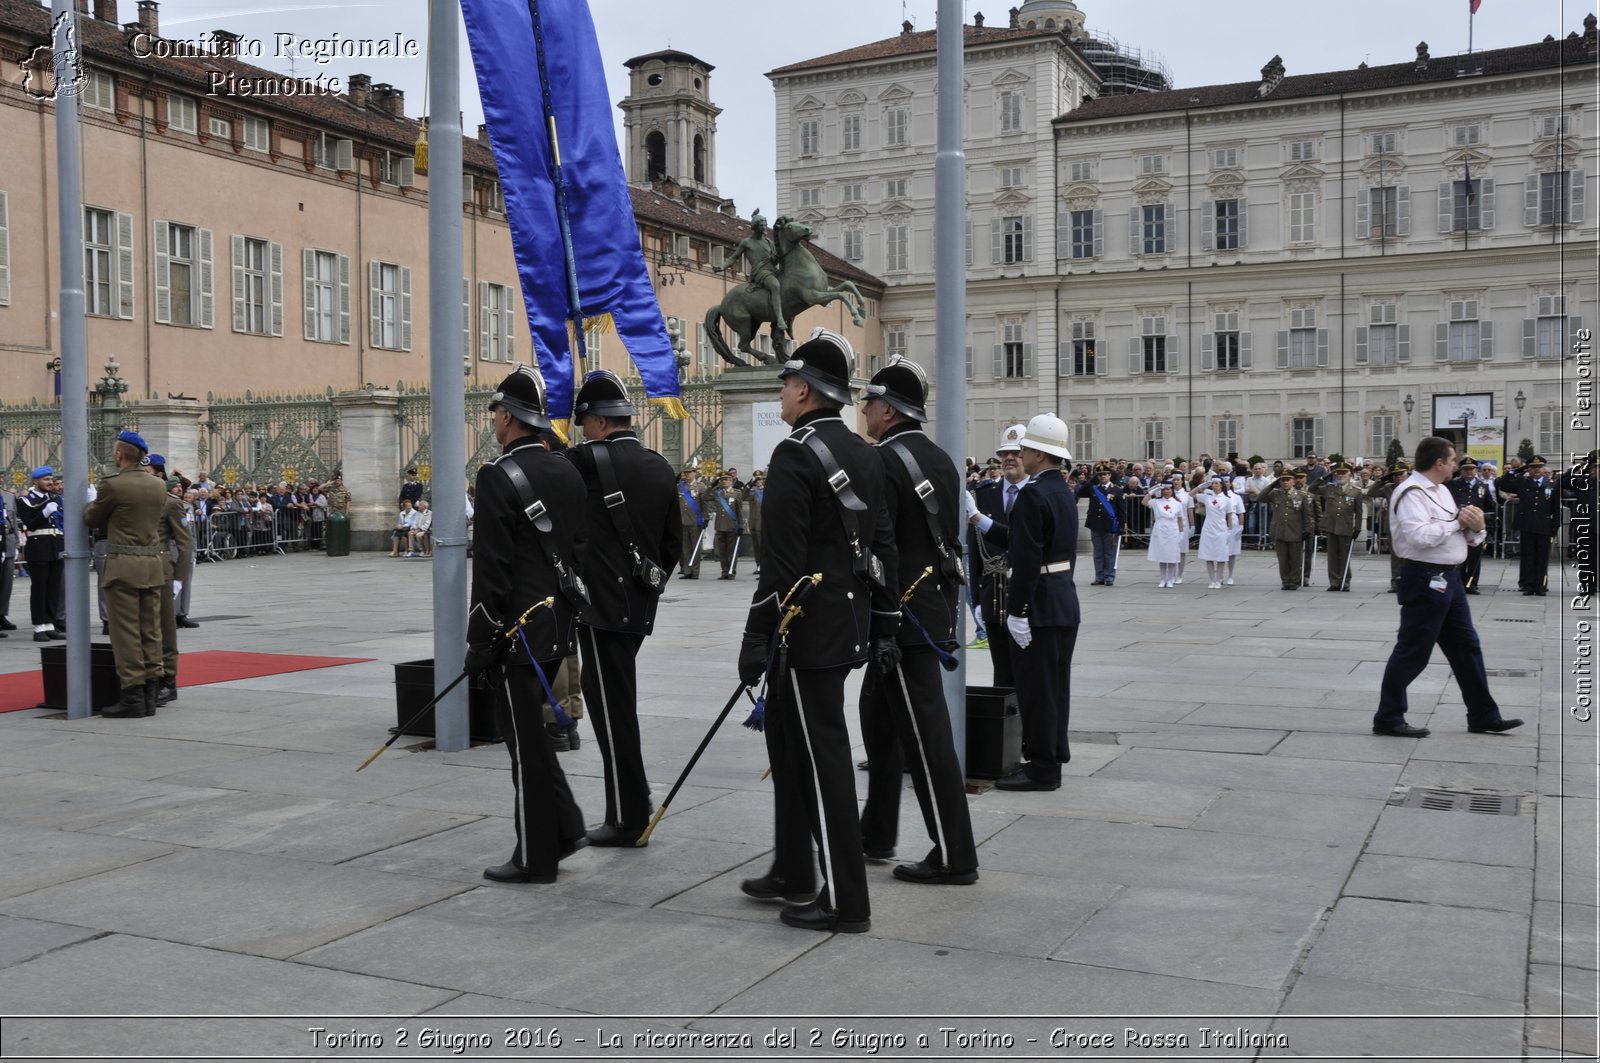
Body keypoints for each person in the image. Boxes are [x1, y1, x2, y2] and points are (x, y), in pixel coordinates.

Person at [736, 330, 898, 934]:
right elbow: (881, 548)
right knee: (793, 744)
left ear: (803, 389)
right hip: (847, 621)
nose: (781, 392)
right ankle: (795, 870)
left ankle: (845, 900)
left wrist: (756, 639)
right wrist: (883, 621)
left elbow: (779, 563)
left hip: (804, 629)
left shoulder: (794, 454)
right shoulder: (864, 451)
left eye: (784, 383)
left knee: (823, 754)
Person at [464, 364, 590, 884]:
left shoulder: (497, 476)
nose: (492, 419)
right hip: (558, 623)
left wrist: (480, 638)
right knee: (532, 740)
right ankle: (564, 827)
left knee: (523, 743)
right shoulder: (566, 468)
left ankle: (535, 856)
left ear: (511, 417)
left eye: (496, 410)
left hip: (515, 629)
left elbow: (492, 570)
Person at [856, 356, 978, 886]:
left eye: (868, 403)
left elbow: (876, 544)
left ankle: (955, 853)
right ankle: (876, 832)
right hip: (928, 606)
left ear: (886, 410)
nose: (862, 410)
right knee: (877, 721)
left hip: (902, 616)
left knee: (926, 737)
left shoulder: (882, 461)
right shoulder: (940, 458)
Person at [565, 369, 680, 847]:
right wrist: (645, 591)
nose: (581, 430)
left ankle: (628, 816)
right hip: (637, 604)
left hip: (599, 605)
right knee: (619, 704)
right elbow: (674, 542)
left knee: (612, 711)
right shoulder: (658, 464)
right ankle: (628, 807)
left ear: (596, 420)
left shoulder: (583, 462)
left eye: (583, 421)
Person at [1373, 437, 1522, 738]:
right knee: (1413, 650)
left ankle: (1483, 715)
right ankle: (1388, 717)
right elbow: (1420, 538)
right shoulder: (1411, 492)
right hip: (1425, 578)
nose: (1457, 465)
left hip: (1449, 579)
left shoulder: (1441, 491)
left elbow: (1460, 535)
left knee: (1467, 648)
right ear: (1439, 463)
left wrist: (1476, 528)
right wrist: (1458, 522)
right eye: (1453, 460)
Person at [998, 413, 1081, 792]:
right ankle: (1051, 758)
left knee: (1037, 690)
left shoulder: (1033, 493)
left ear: (1038, 453)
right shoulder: (1062, 490)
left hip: (1041, 605)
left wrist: (1018, 612)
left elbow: (1026, 559)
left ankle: (1043, 767)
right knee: (1056, 688)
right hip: (1063, 597)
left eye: (1026, 448)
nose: (1022, 453)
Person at [82, 431, 168, 718]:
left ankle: (133, 695)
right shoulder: (158, 485)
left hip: (124, 566)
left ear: (119, 455)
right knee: (151, 631)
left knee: (126, 633)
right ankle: (152, 693)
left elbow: (91, 518)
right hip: (152, 565)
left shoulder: (113, 486)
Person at [965, 424, 1028, 685]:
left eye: (1016, 452)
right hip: (994, 596)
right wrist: (977, 600)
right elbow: (975, 553)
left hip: (1026, 600)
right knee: (1001, 675)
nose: (1009, 458)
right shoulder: (983, 497)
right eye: (1004, 453)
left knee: (1027, 675)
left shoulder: (1037, 495)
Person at [148, 461, 192, 707]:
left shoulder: (171, 503)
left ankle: (168, 683)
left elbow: (185, 545)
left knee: (165, 629)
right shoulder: (139, 500)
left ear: (160, 475)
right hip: (142, 569)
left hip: (164, 571)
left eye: (149, 473)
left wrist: (179, 579)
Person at [715, 209, 788, 340]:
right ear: (755, 227)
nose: (765, 228)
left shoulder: (769, 242)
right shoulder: (747, 242)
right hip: (760, 272)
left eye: (765, 225)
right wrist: (722, 267)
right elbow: (733, 258)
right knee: (775, 286)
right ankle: (780, 319)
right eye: (762, 225)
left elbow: (775, 259)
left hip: (772, 270)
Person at [18, 466, 66, 641]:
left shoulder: (55, 498)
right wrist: (45, 512)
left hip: (55, 547)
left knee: (53, 589)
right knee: (40, 589)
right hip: (38, 549)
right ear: (35, 481)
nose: (50, 482)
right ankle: (39, 627)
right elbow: (30, 524)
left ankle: (50, 624)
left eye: (51, 479)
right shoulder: (25, 500)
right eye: (46, 479)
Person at [1497, 456, 1558, 596]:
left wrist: (1556, 525)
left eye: (1539, 467)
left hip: (1544, 525)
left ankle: (1541, 585)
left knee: (1542, 557)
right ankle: (1528, 585)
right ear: (1529, 469)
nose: (1537, 470)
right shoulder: (1522, 482)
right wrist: (1518, 470)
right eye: (1533, 467)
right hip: (1527, 524)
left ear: (1543, 468)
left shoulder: (1551, 484)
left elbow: (1555, 507)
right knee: (1528, 556)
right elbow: (1503, 484)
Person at [1314, 462, 1365, 591]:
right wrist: (1325, 476)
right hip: (1331, 526)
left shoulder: (1355, 491)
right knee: (1332, 556)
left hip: (1345, 527)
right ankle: (1334, 581)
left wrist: (1357, 528)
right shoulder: (1329, 488)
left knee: (1344, 555)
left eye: (1344, 473)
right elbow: (1312, 488)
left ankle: (1345, 581)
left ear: (1350, 475)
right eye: (1338, 473)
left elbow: (1359, 512)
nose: (1341, 475)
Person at [1260, 469, 1311, 590]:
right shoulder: (1275, 493)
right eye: (1283, 480)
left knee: (1295, 559)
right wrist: (1272, 485)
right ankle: (1285, 580)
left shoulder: (1301, 495)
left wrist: (1307, 530)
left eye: (1288, 480)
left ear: (1293, 481)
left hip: (1295, 530)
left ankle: (1293, 581)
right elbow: (1260, 497)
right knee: (1282, 559)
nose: (1285, 482)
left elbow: (1306, 514)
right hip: (1279, 531)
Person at [1449, 458, 1494, 594]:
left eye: (1471, 469)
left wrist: (1487, 520)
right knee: (1460, 554)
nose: (1469, 472)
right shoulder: (1453, 485)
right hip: (1459, 526)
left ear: (1476, 470)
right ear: (1461, 471)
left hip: (1475, 526)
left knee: (1475, 556)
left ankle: (1472, 583)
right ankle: (1460, 582)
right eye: (1466, 469)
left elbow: (1490, 506)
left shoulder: (1482, 486)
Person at [1076, 465, 1124, 587]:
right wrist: (1092, 479)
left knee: (1109, 553)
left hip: (1110, 526)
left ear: (1109, 475)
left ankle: (1109, 576)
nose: (1102, 477)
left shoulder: (1117, 490)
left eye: (1104, 474)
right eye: (1100, 475)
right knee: (1098, 553)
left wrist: (1121, 527)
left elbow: (1122, 511)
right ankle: (1099, 576)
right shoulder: (1093, 489)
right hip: (1095, 524)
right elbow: (1080, 492)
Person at [1560, 451, 1597, 596]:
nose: (1595, 470)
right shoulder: (1583, 482)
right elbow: (1563, 482)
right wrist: (1577, 468)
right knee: (1585, 558)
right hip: (1586, 526)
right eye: (1593, 467)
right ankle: (1587, 586)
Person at [1194, 478, 1234, 589]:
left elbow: (1229, 516)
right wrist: (1202, 486)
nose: (1214, 485)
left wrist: (1230, 530)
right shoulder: (1208, 497)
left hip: (1221, 527)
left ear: (1221, 485)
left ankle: (1218, 579)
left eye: (1216, 483)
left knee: (1220, 555)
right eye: (1213, 483)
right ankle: (1212, 580)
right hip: (1208, 527)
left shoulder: (1227, 499)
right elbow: (1191, 494)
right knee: (1209, 554)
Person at [1145, 480, 1186, 588]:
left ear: (1172, 490)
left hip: (1172, 530)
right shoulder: (1156, 502)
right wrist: (1154, 490)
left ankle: (1170, 578)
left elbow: (1180, 519)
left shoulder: (1177, 504)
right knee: (1162, 555)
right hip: (1160, 529)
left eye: (1168, 489)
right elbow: (1144, 502)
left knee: (1171, 556)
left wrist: (1181, 532)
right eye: (1164, 490)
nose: (1166, 491)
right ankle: (1163, 579)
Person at [676, 465, 709, 578]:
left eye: (689, 473)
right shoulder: (680, 487)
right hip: (683, 521)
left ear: (695, 473)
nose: (687, 475)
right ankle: (687, 571)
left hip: (695, 521)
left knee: (695, 547)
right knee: (685, 548)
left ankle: (695, 571)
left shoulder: (701, 487)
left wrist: (706, 518)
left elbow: (705, 504)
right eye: (685, 473)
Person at [711, 471, 743, 579]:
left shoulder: (737, 493)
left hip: (732, 526)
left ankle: (731, 571)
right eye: (722, 480)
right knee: (722, 551)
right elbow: (706, 496)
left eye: (726, 479)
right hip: (720, 526)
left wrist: (741, 525)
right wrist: (713, 484)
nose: (723, 482)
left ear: (731, 481)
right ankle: (724, 571)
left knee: (731, 550)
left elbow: (739, 511)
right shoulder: (717, 493)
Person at [0, 483, 16, 635]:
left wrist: (16, 543)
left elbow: (14, 521)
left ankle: (2, 614)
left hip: (9, 543)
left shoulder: (9, 496)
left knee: (6, 584)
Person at [746, 471, 766, 576]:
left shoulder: (768, 491)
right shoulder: (753, 491)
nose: (758, 481)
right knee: (756, 547)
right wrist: (749, 484)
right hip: (753, 523)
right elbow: (744, 497)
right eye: (756, 480)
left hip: (764, 524)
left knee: (763, 546)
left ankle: (764, 566)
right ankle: (759, 566)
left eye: (760, 479)